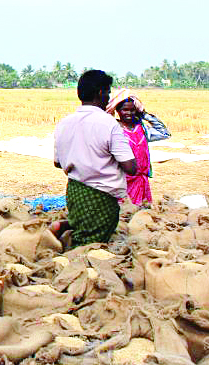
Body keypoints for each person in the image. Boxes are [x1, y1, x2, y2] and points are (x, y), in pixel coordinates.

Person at [52, 70, 138, 248]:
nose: (109, 97)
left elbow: (57, 162)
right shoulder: (108, 123)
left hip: (75, 192)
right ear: (100, 93)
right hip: (101, 198)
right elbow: (130, 167)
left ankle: (63, 229)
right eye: (108, 92)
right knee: (89, 244)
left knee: (81, 223)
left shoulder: (64, 123)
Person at [106, 88, 172, 206]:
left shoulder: (142, 129)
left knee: (142, 210)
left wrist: (145, 114)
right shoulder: (115, 129)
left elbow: (164, 133)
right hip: (123, 180)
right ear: (118, 111)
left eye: (132, 110)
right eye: (125, 110)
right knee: (124, 211)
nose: (129, 113)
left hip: (141, 180)